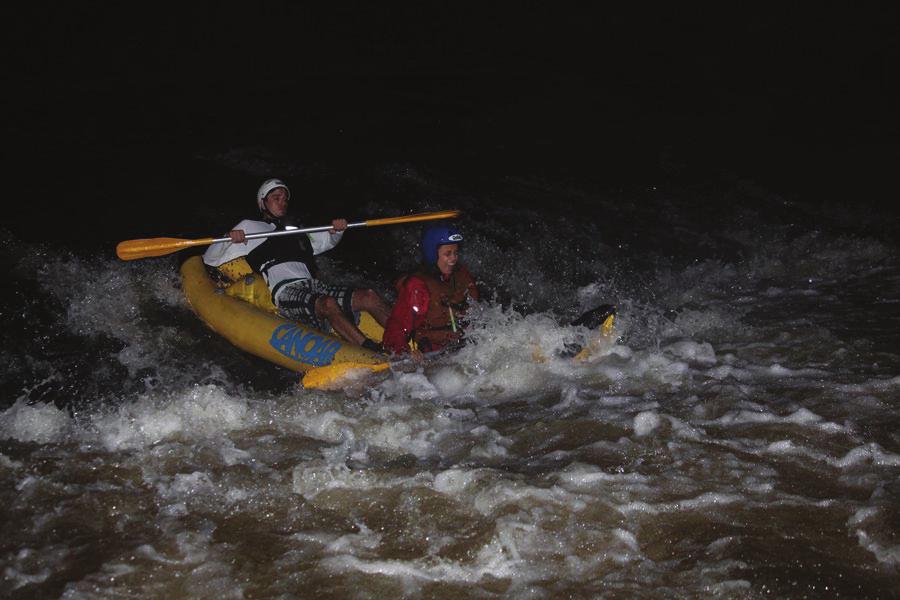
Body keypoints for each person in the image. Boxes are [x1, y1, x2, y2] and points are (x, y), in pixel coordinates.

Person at [202, 178, 390, 351]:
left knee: (369, 296)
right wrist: (228, 238)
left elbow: (325, 242)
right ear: (263, 203)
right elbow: (211, 258)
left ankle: (405, 340)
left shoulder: (296, 230)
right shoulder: (250, 228)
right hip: (285, 292)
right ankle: (370, 349)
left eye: (284, 198)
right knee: (328, 303)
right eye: (276, 197)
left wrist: (337, 231)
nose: (282, 202)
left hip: (314, 287)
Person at [382, 225, 480, 359]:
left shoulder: (462, 275)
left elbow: (476, 313)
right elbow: (397, 327)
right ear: (433, 254)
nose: (453, 258)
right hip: (432, 353)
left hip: (461, 347)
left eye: (456, 253)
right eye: (448, 253)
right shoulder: (417, 285)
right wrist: (404, 352)